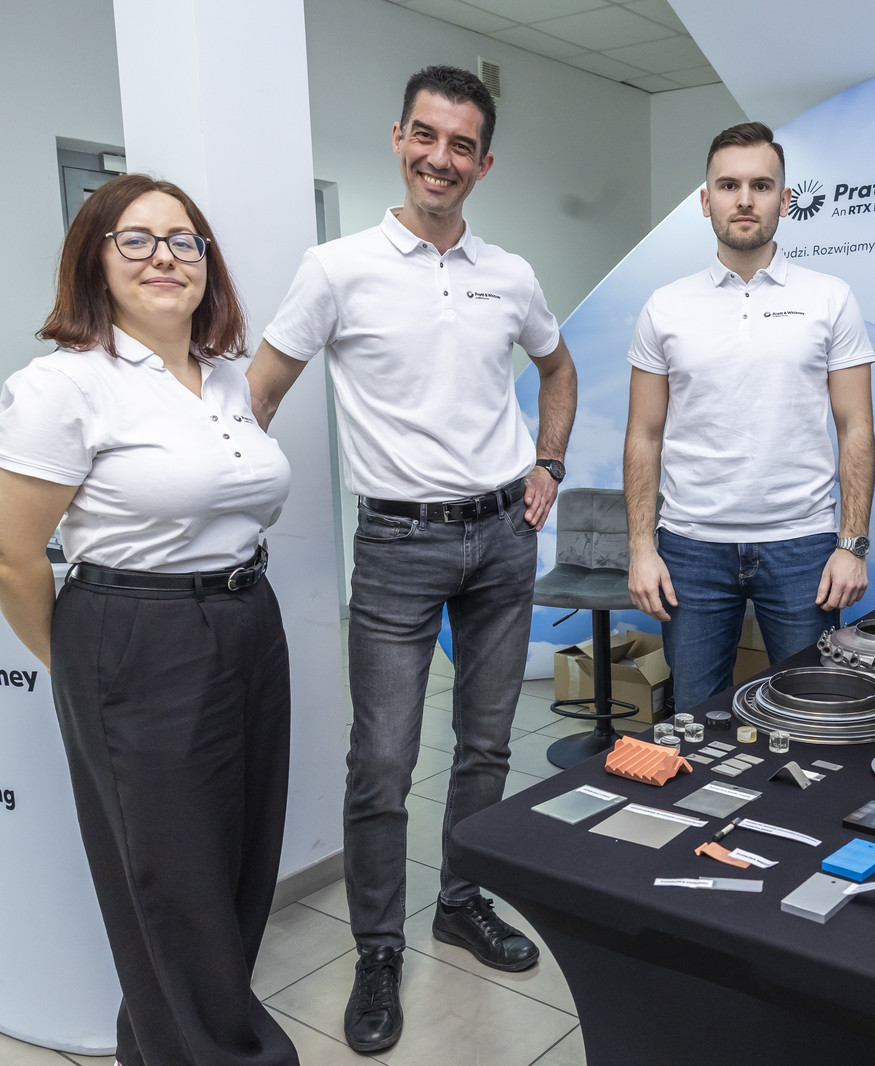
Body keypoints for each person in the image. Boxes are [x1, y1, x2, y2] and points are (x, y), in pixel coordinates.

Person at [246, 65, 576, 1053]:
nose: (441, 158)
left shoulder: (509, 274)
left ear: (483, 162)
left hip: (502, 536)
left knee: (486, 745)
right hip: (396, 543)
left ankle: (462, 903)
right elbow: (260, 390)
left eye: (461, 144)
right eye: (425, 136)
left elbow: (557, 367)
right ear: (399, 139)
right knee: (383, 762)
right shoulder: (336, 268)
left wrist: (549, 463)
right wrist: (222, 503)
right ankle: (379, 948)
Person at [0, 174, 297, 1066]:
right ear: (95, 259)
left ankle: (153, 1047)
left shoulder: (225, 378)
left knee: (237, 862)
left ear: (207, 263)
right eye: (137, 239)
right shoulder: (63, 386)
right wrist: (85, 670)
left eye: (184, 240)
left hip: (246, 621)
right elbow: (6, 552)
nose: (165, 256)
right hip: (136, 634)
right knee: (173, 883)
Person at [625, 121, 875, 712]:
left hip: (802, 546)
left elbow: (856, 429)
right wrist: (640, 548)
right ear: (705, 200)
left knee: (815, 711)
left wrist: (853, 544)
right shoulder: (665, 306)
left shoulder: (830, 298)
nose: (744, 199)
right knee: (696, 717)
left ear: (784, 200)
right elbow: (643, 435)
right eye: (728, 185)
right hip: (691, 548)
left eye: (761, 186)